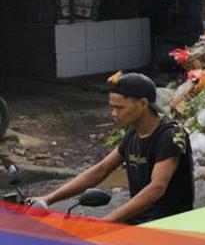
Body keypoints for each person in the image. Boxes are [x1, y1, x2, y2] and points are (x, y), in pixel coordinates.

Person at [32, 72, 194, 224]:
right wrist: (48, 199)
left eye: (120, 108)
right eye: (113, 107)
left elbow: (157, 187)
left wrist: (106, 221)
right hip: (138, 221)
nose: (114, 114)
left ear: (143, 104)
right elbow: (101, 169)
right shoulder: (133, 134)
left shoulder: (170, 135)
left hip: (168, 225)